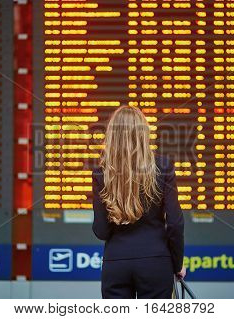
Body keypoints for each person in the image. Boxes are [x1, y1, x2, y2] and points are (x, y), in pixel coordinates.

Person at [92, 105, 185, 299]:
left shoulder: (101, 173)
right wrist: (177, 264)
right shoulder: (164, 166)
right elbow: (175, 223)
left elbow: (101, 231)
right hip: (156, 262)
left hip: (116, 263)